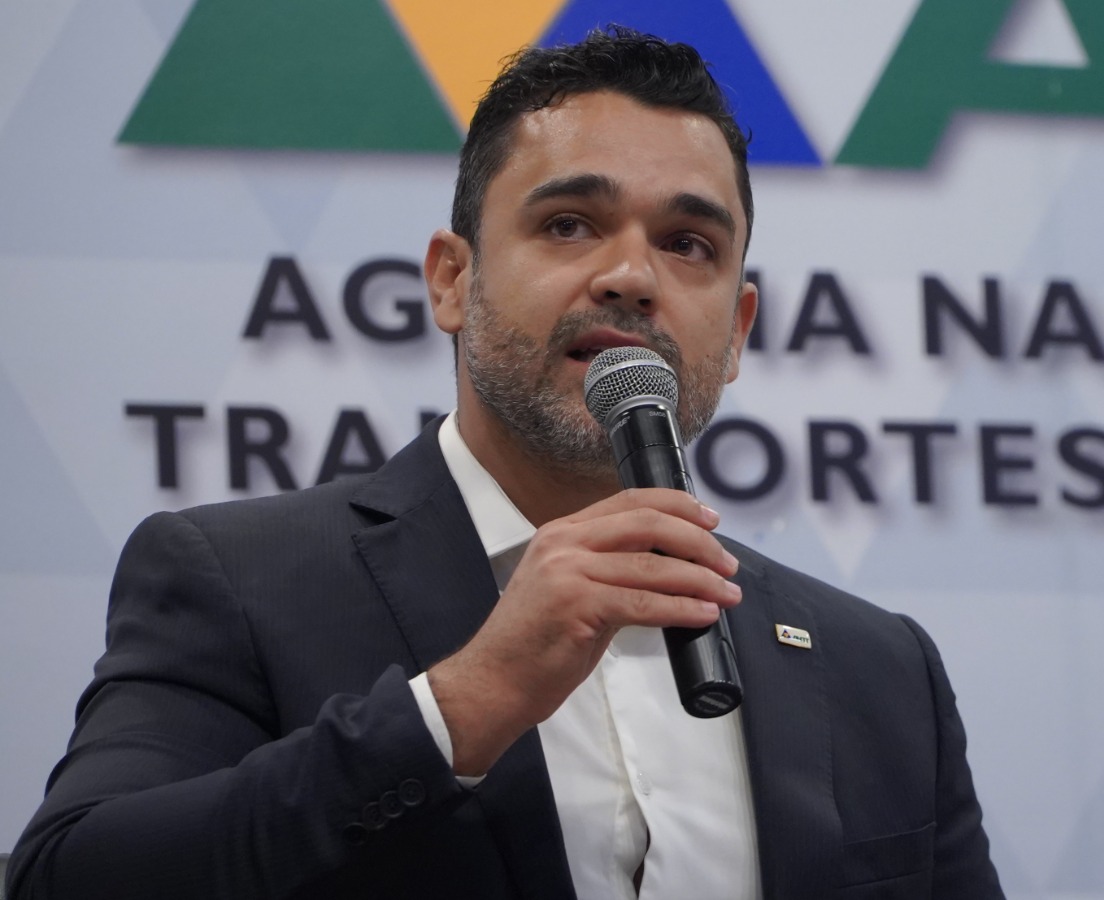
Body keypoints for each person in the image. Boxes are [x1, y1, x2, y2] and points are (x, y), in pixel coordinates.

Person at [6, 27, 1002, 900]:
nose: (630, 276)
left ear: (736, 331)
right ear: (452, 279)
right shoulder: (240, 580)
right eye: (569, 224)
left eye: (688, 243)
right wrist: (466, 701)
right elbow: (69, 877)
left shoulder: (879, 669)